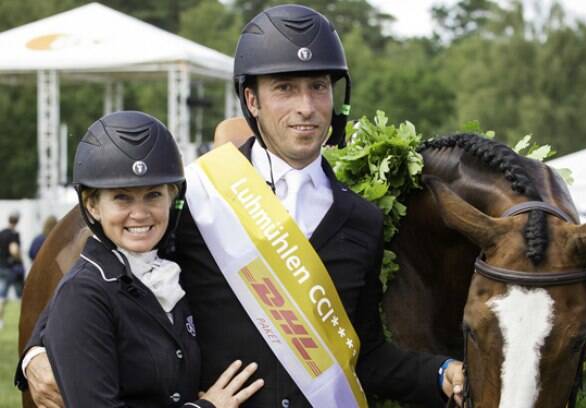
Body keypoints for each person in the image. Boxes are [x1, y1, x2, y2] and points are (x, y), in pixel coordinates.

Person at [19, 5, 465, 407]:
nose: (306, 107)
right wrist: (36, 352)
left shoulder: (361, 221)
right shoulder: (198, 193)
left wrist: (442, 372)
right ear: (252, 100)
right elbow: (100, 269)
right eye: (285, 88)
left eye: (318, 87)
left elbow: (366, 356)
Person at [21, 111, 264, 407]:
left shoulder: (164, 256)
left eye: (153, 195)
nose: (139, 213)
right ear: (93, 206)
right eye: (122, 197)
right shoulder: (84, 293)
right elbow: (75, 298)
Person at [0, 211, 24, 329]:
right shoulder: (14, 234)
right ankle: (25, 320)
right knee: (21, 296)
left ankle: (0, 321)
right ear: (17, 221)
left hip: (2, 267)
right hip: (13, 269)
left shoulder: (1, 233)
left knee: (2, 296)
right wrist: (20, 258)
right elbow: (13, 249)